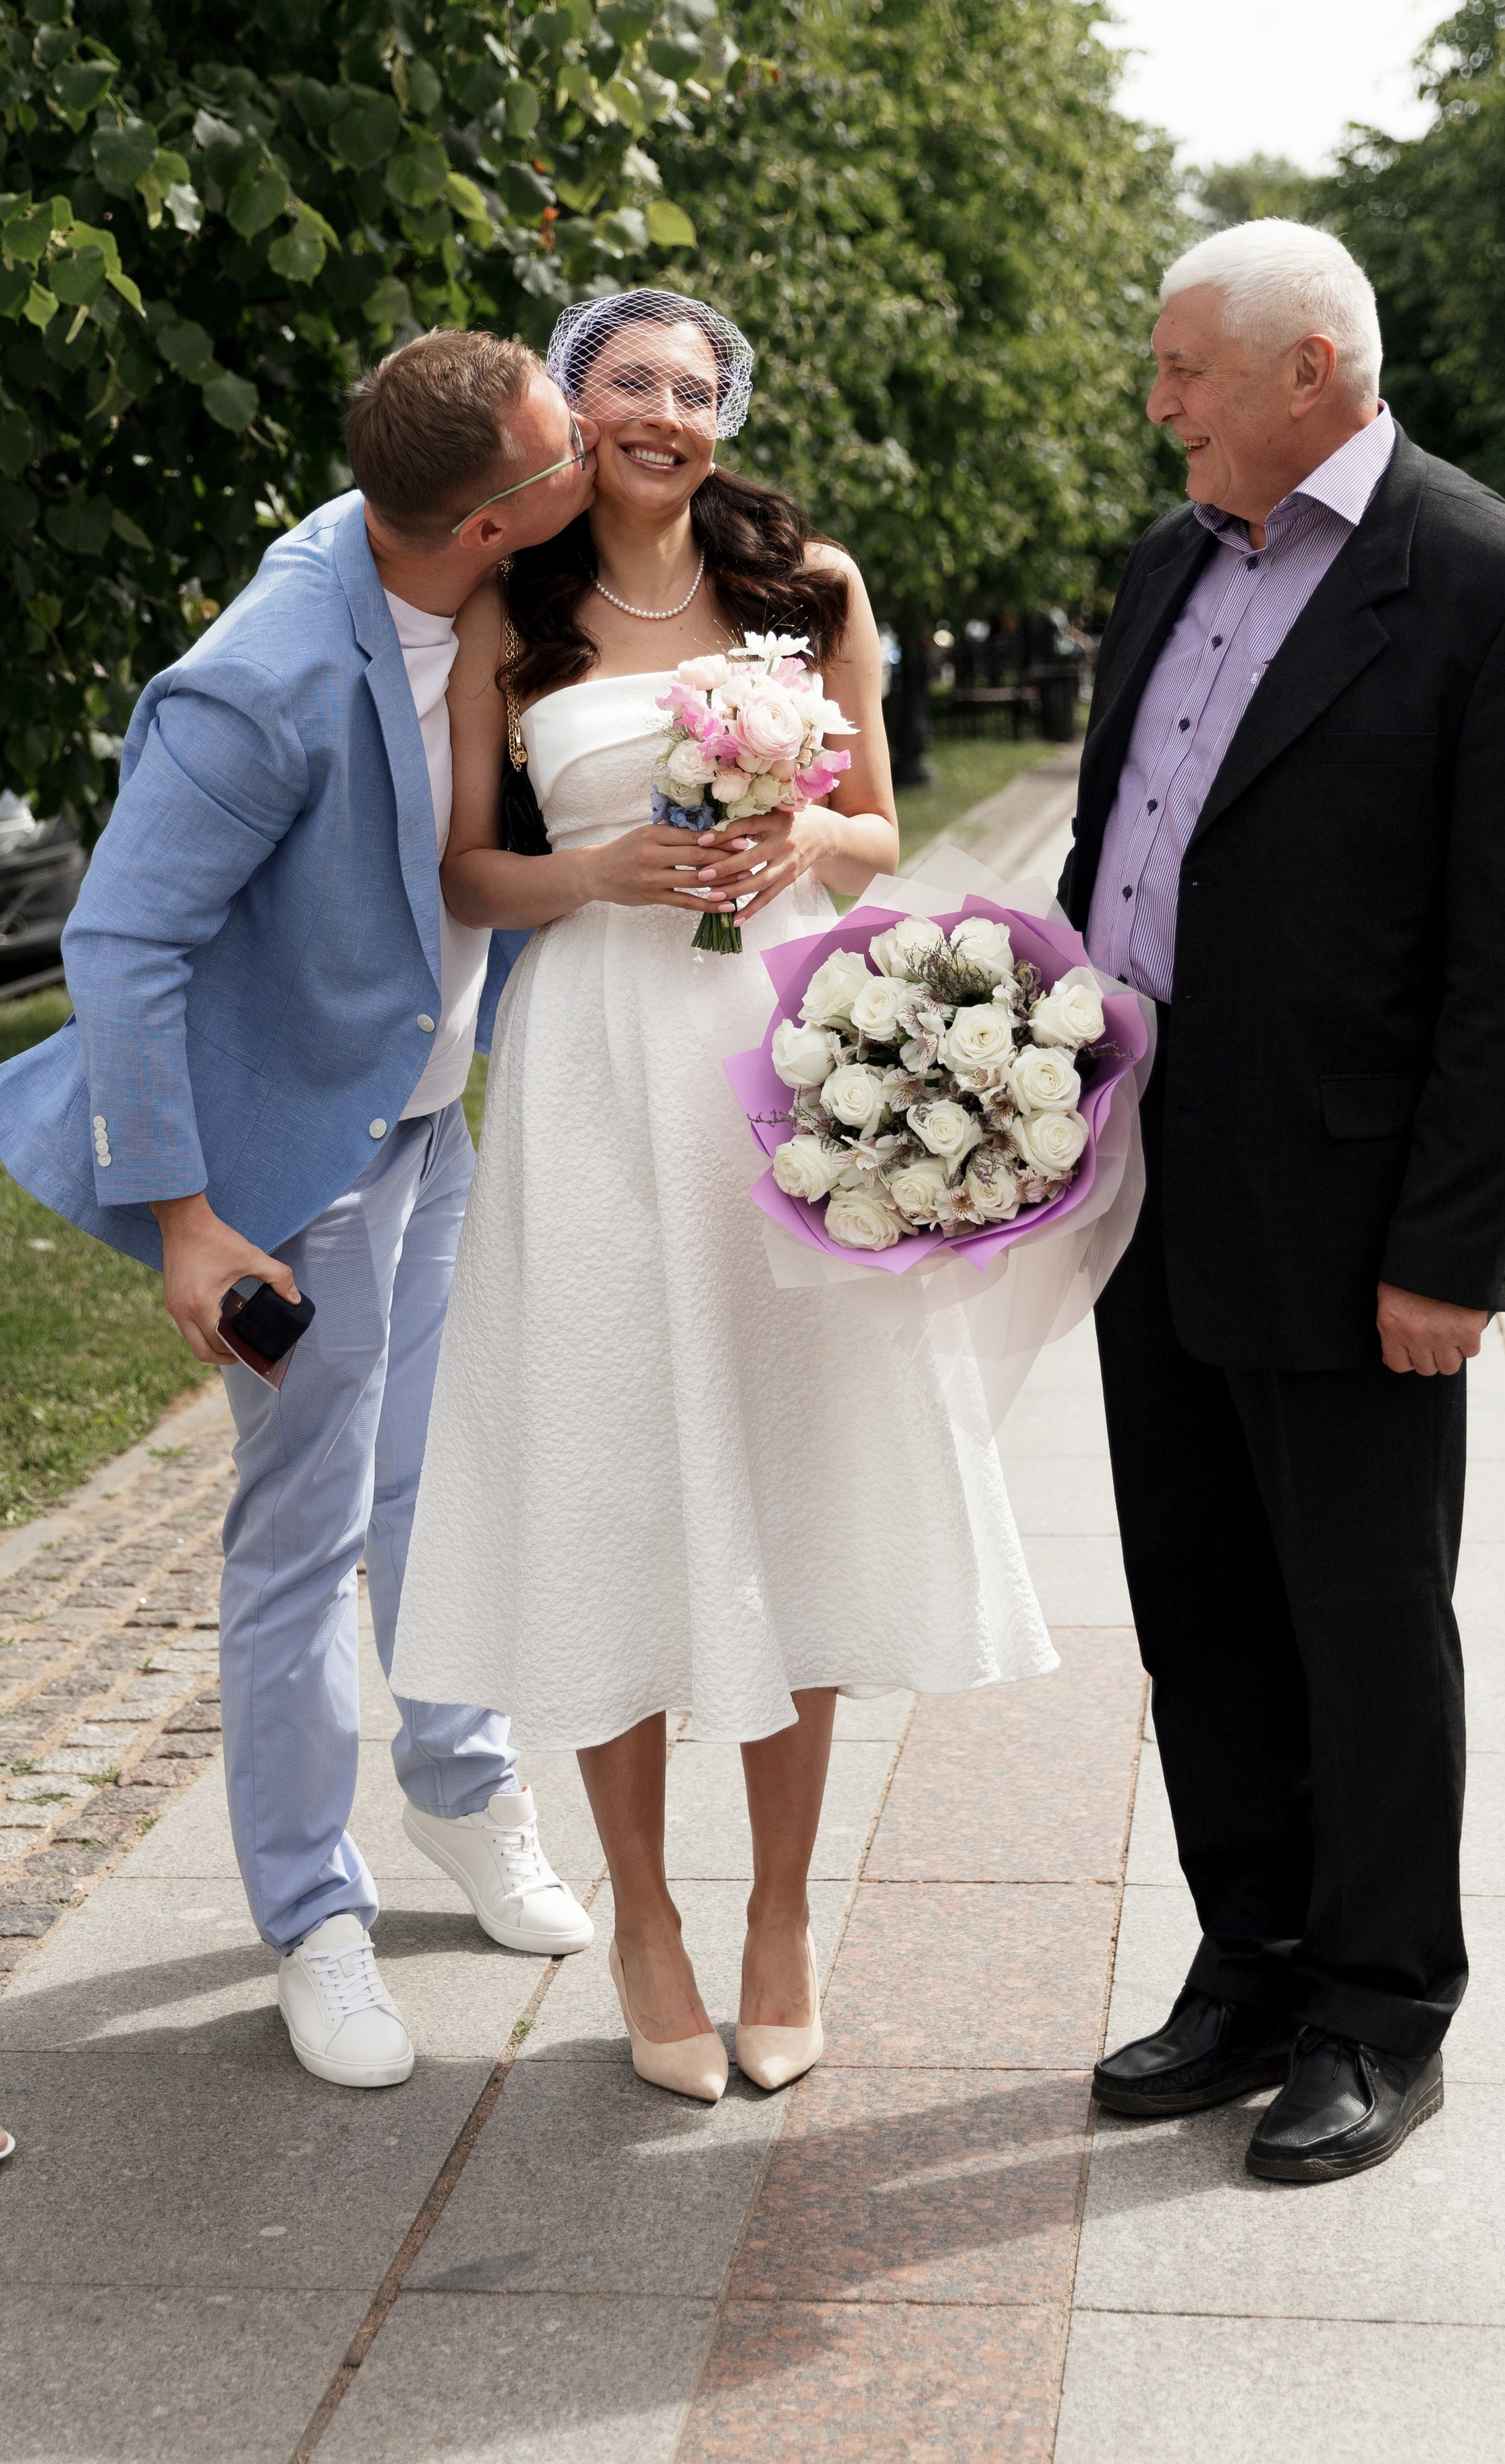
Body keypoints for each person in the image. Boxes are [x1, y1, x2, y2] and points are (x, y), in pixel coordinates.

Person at [388, 289, 1055, 2102]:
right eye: (629, 386)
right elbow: (466, 874)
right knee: (612, 1477)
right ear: (572, 407)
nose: (664, 416)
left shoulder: (807, 586)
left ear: (723, 415)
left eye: (695, 390)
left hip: (780, 1064)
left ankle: (777, 1916)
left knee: (793, 1471)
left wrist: (794, 835)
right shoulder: (505, 618)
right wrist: (597, 864)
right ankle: (644, 1921)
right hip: (597, 1083)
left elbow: (882, 834)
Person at [0, 333, 606, 2090]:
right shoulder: (258, 681)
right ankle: (310, 1915)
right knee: (305, 1536)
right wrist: (188, 1222)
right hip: (301, 1180)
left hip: (427, 1132)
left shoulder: (454, 573)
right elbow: (115, 943)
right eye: (560, 454)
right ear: (484, 518)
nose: (586, 466)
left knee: (441, 1489)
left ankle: (465, 1799)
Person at [1063, 221, 1505, 2182]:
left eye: (1182, 367)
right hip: (1152, 1185)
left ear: (1310, 370)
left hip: (1358, 1220)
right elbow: (1119, 840)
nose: (1157, 402)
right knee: (1199, 1611)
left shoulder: (1494, 584)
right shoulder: (1166, 560)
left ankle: (1383, 2010)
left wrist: (1455, 1247)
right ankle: (1254, 1962)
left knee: (1365, 1625)